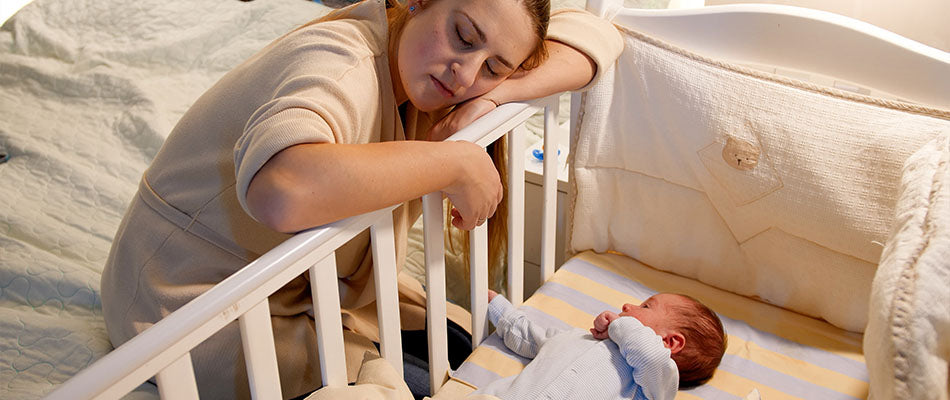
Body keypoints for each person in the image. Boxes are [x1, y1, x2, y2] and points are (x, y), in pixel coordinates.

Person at [99, 0, 623, 398]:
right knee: (402, 380)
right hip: (183, 305)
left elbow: (599, 35)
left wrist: (497, 94)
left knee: (464, 340)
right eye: (463, 36)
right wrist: (455, 161)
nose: (464, 73)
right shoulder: (344, 62)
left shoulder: (434, 79)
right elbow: (281, 190)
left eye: (493, 65)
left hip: (294, 285)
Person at [473, 290, 727, 400]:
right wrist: (497, 305)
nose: (628, 306)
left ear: (670, 342)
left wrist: (619, 325)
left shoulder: (652, 384)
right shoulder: (576, 337)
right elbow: (528, 336)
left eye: (645, 306)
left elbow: (650, 354)